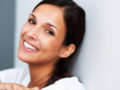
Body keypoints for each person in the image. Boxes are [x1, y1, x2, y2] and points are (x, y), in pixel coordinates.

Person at [0, 0, 85, 89]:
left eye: (49, 31)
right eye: (32, 21)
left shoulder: (69, 87)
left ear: (66, 50)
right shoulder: (20, 76)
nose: (30, 34)